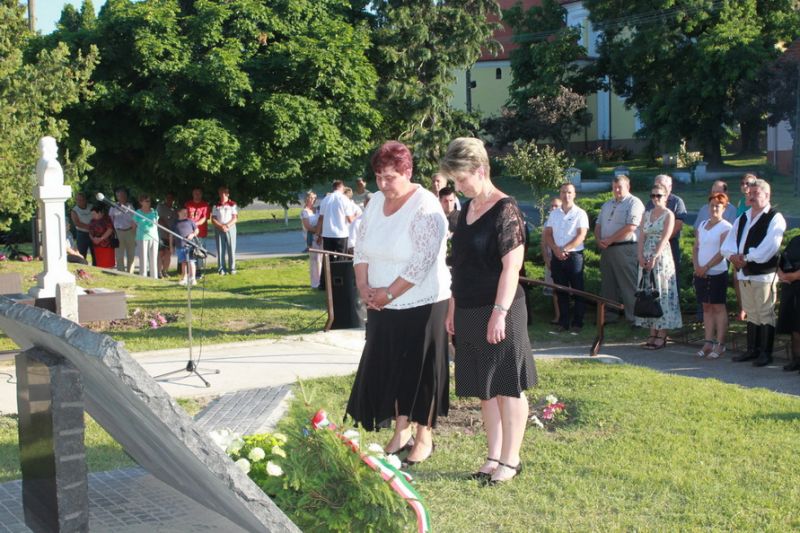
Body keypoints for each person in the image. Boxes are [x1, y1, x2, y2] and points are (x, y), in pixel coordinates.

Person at [345, 141, 451, 468]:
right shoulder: (376, 202)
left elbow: (421, 262)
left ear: (408, 172)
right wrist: (364, 287)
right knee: (390, 366)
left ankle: (424, 437)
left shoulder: (426, 206)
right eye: (378, 177)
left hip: (423, 303)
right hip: (381, 304)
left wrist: (388, 293)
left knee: (420, 371)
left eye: (389, 177)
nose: (382, 184)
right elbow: (361, 247)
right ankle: (400, 431)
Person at [441, 137, 537, 484]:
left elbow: (512, 268)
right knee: (485, 387)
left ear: (480, 170)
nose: (459, 187)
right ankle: (493, 456)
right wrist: (453, 306)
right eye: (455, 180)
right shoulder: (466, 210)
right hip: (468, 307)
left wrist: (499, 312)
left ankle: (511, 460)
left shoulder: (506, 209)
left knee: (508, 385)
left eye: (462, 179)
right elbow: (459, 265)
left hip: (502, 309)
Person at [721, 178, 786, 367]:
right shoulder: (743, 217)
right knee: (751, 312)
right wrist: (732, 256)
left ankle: (765, 353)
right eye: (750, 193)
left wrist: (746, 257)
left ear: (767, 195)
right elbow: (728, 243)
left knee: (765, 313)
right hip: (744, 273)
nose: (751, 196)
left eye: (756, 193)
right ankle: (752, 350)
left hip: (764, 275)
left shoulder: (775, 217)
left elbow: (770, 247)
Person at [635, 183, 683, 349]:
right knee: (648, 292)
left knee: (661, 292)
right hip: (646, 253)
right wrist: (640, 255)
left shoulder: (668, 214)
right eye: (653, 196)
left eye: (659, 196)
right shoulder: (646, 214)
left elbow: (665, 237)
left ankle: (662, 334)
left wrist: (655, 256)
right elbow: (641, 236)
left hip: (661, 256)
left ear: (666, 197)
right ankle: (652, 332)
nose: (655, 199)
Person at [595, 175, 645, 323]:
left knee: (628, 284)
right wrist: (598, 240)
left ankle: (635, 318)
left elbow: (631, 226)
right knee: (608, 285)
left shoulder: (634, 203)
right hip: (607, 250)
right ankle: (609, 316)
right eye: (614, 187)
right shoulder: (607, 204)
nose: (616, 190)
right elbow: (598, 225)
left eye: (620, 187)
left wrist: (610, 239)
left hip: (625, 249)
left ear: (628, 187)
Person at [692, 193, 732, 358]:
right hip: (700, 273)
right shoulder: (702, 224)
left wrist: (707, 267)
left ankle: (720, 344)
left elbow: (722, 252)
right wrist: (697, 266)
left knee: (718, 307)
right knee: (706, 307)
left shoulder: (726, 227)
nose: (714, 208)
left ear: (724, 208)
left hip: (717, 273)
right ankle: (708, 342)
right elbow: (696, 247)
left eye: (718, 206)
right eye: (712, 205)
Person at [544, 183, 589, 332]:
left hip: (574, 256)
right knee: (560, 290)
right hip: (557, 256)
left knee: (577, 290)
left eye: (569, 192)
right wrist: (555, 249)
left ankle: (577, 323)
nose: (566, 195)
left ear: (574, 194)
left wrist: (564, 249)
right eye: (563, 192)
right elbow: (548, 234)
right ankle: (563, 322)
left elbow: (581, 235)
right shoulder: (554, 214)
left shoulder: (580, 213)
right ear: (560, 194)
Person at [645, 174, 686, 289]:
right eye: (656, 184)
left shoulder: (677, 202)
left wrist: (661, 243)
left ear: (670, 187)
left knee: (669, 280)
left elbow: (677, 225)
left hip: (670, 245)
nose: (659, 187)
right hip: (650, 246)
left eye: (662, 185)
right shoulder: (650, 203)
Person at [733, 174, 757, 321]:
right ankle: (742, 308)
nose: (744, 186)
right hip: (738, 243)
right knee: (737, 278)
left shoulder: (756, 202)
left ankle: (752, 307)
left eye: (747, 183)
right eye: (742, 183)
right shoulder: (741, 201)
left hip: (752, 244)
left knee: (750, 277)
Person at [776, 233, 800, 373]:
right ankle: (796, 359)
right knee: (794, 325)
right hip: (790, 287)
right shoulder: (795, 240)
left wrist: (794, 275)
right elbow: (782, 258)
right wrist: (781, 273)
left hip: (794, 280)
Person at [542, 197, 562, 325]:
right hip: (551, 259)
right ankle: (558, 316)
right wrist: (546, 259)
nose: (553, 208)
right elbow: (543, 243)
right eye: (552, 206)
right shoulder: (547, 223)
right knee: (555, 289)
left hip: (564, 258)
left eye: (556, 206)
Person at [212, 186, 238, 275]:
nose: (223, 194)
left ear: (228, 194)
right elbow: (213, 219)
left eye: (224, 193)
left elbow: (235, 218)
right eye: (221, 193)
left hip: (230, 228)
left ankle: (232, 268)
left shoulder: (232, 204)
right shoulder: (216, 205)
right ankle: (221, 269)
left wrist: (227, 226)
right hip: (219, 228)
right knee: (220, 249)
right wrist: (221, 226)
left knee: (231, 249)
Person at [132, 194, 160, 279]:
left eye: (149, 201)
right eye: (146, 201)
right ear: (141, 202)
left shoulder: (154, 212)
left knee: (153, 259)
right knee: (143, 259)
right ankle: (143, 277)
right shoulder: (137, 212)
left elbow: (157, 225)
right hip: (142, 238)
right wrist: (135, 238)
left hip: (154, 237)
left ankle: (154, 278)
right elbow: (133, 227)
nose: (149, 203)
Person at [109, 187, 136, 273]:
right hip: (118, 232)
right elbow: (111, 219)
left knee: (131, 254)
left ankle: (130, 273)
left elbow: (134, 220)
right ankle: (121, 272)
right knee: (119, 255)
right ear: (117, 197)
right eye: (119, 196)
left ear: (126, 196)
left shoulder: (130, 206)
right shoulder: (113, 206)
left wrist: (134, 233)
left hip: (129, 231)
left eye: (123, 195)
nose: (122, 197)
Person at [185, 187, 210, 279]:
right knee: (191, 252)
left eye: (199, 193)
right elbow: (185, 216)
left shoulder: (205, 205)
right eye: (195, 193)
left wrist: (195, 224)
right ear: (192, 194)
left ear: (201, 194)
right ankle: (191, 271)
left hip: (201, 233)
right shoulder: (188, 204)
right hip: (189, 233)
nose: (197, 195)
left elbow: (204, 218)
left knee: (200, 252)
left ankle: (199, 271)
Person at [171, 207, 198, 286]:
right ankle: (185, 278)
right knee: (183, 262)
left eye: (186, 213)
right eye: (183, 213)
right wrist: (171, 246)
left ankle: (193, 278)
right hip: (179, 246)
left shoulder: (190, 221)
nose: (185, 214)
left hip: (190, 245)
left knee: (191, 261)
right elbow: (171, 235)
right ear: (178, 213)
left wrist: (192, 234)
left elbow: (196, 230)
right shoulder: (175, 223)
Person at [300, 191, 322, 288]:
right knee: (315, 260)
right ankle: (315, 282)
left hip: (320, 236)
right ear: (307, 199)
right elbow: (307, 226)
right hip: (312, 236)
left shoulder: (317, 210)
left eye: (314, 198)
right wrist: (317, 232)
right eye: (311, 198)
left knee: (321, 258)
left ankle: (322, 280)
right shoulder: (304, 212)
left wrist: (320, 233)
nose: (313, 200)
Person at [157, 192, 178, 278]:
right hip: (161, 235)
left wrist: (172, 233)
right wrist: (168, 230)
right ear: (165, 199)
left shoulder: (175, 210)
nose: (170, 200)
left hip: (171, 237)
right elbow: (159, 219)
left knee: (168, 255)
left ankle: (165, 271)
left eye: (171, 198)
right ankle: (158, 272)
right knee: (160, 253)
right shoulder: (160, 207)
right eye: (168, 198)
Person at [70, 192, 94, 265]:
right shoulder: (74, 210)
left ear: (85, 200)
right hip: (82, 234)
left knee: (95, 252)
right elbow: (77, 223)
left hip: (94, 233)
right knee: (82, 253)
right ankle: (82, 267)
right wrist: (89, 227)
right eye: (78, 200)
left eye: (81, 199)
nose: (79, 201)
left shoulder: (91, 207)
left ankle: (96, 266)